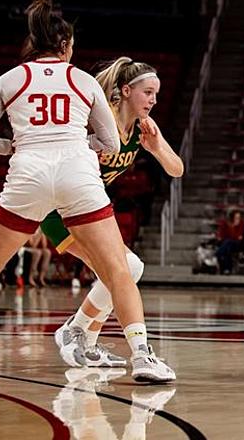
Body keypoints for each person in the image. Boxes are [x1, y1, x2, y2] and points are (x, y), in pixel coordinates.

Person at [0, 0, 175, 383]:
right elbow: (108, 143)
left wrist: (11, 146)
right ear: (66, 45)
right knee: (120, 271)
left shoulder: (10, 78)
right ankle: (142, 356)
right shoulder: (83, 81)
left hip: (28, 174)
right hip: (76, 174)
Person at [46, 56, 182, 368]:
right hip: (60, 208)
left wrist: (158, 148)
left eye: (157, 94)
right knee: (126, 268)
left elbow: (177, 169)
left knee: (127, 269)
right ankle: (77, 331)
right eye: (148, 92)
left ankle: (84, 340)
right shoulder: (97, 118)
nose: (154, 100)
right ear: (126, 90)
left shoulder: (142, 128)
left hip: (86, 209)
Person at [215, 209, 244, 275]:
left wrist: (234, 227)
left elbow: (238, 237)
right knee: (228, 247)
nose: (238, 219)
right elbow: (221, 235)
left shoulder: (241, 223)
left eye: (239, 217)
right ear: (232, 217)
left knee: (228, 242)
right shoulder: (224, 223)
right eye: (236, 217)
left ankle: (219, 255)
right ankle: (227, 269)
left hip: (237, 245)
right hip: (226, 244)